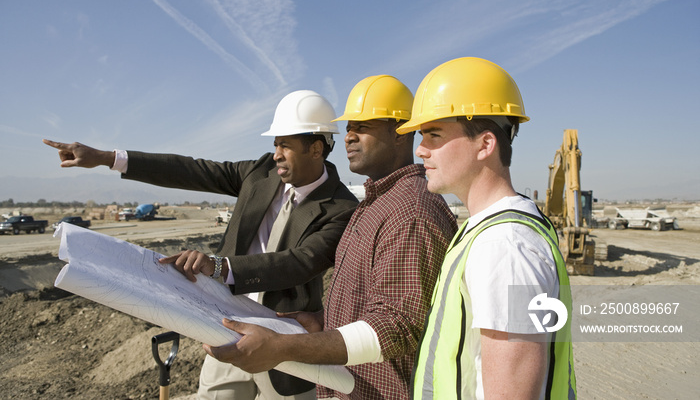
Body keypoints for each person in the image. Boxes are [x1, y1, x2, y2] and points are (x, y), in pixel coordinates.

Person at [44, 90, 359, 400]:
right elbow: (193, 170)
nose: (276, 153)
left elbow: (300, 262)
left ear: (316, 149)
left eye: (285, 145)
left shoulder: (340, 207)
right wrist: (107, 158)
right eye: (275, 144)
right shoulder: (260, 172)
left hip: (284, 341)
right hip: (225, 327)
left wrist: (221, 266)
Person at [202, 75, 458, 399]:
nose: (348, 136)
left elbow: (397, 326)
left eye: (362, 127)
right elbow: (375, 304)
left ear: (400, 132)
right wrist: (323, 323)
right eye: (349, 127)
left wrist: (285, 346)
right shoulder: (380, 201)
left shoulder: (410, 212)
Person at [394, 57, 577, 399]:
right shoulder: (487, 231)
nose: (420, 149)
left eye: (433, 135)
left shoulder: (505, 245)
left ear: (485, 144)